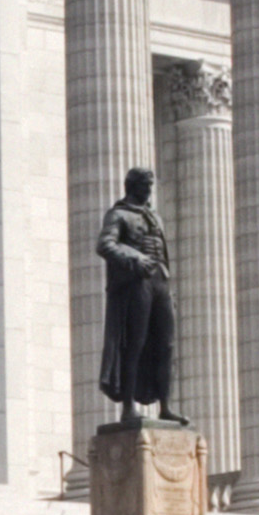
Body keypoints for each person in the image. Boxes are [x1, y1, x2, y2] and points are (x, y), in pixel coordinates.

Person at [95, 166, 178, 420]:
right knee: (135, 344)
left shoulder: (155, 217)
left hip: (160, 282)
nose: (149, 192)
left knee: (166, 345)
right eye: (145, 186)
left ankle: (165, 407)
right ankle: (129, 407)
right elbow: (104, 245)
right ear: (132, 187)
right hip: (136, 281)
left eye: (150, 187)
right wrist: (134, 256)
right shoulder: (118, 214)